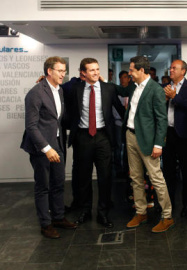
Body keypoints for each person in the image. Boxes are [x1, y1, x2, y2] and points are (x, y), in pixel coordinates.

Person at [21, 56, 77, 239]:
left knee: (58, 184)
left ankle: (58, 217)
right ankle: (46, 224)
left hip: (58, 144)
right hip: (41, 148)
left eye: (64, 70)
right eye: (60, 70)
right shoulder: (36, 92)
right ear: (49, 71)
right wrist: (46, 148)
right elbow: (31, 126)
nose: (63, 74)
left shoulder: (59, 90)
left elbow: (57, 120)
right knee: (43, 187)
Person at [65, 58, 125, 228]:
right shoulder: (75, 89)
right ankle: (85, 211)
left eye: (97, 69)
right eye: (91, 70)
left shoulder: (109, 88)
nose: (96, 73)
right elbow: (62, 97)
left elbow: (121, 110)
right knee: (83, 177)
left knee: (105, 176)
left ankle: (103, 213)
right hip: (83, 137)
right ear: (83, 73)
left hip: (103, 137)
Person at [120, 56, 174, 233]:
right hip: (130, 136)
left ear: (141, 70)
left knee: (156, 178)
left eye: (132, 70)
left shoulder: (155, 90)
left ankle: (167, 216)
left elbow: (161, 119)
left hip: (149, 141)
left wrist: (159, 144)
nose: (130, 74)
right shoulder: (133, 87)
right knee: (135, 178)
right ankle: (141, 212)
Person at [163, 59, 187, 217]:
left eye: (174, 68)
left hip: (184, 134)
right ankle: (169, 204)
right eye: (170, 68)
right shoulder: (165, 88)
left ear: (183, 71)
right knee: (168, 171)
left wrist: (175, 97)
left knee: (186, 171)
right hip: (168, 134)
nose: (171, 71)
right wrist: (165, 99)